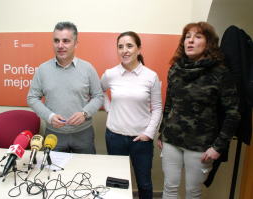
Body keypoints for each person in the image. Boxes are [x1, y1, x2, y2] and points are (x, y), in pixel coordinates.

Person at [158, 22, 240, 199]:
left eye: (197, 37)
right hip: (171, 139)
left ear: (208, 42)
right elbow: (169, 104)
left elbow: (233, 113)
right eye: (187, 37)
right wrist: (161, 132)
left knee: (192, 192)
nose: (190, 41)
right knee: (169, 187)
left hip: (200, 146)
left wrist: (218, 147)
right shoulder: (175, 69)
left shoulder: (220, 73)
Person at [101, 31, 162, 199]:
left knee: (144, 183)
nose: (124, 50)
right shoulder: (110, 74)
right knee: (116, 181)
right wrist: (109, 108)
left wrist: (148, 134)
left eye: (129, 46)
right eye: (120, 47)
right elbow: (99, 91)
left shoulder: (151, 76)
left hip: (141, 140)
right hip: (114, 137)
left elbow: (157, 108)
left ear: (139, 49)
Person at [27, 21, 103, 154]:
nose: (60, 45)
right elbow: (32, 98)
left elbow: (98, 96)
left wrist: (85, 113)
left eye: (66, 41)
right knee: (53, 173)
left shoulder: (87, 68)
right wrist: (49, 116)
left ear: (75, 43)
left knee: (86, 171)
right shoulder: (42, 69)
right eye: (56, 41)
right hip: (53, 135)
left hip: (83, 135)